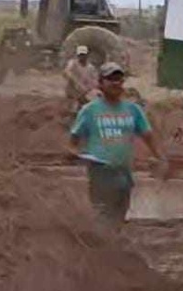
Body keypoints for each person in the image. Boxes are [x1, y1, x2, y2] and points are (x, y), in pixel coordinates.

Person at [68, 62, 167, 231]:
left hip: (124, 174)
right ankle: (102, 250)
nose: (116, 83)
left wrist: (161, 158)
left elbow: (148, 136)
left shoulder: (133, 110)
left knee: (119, 217)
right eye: (110, 79)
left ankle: (110, 249)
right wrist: (80, 156)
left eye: (119, 79)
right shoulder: (89, 110)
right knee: (103, 216)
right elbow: (73, 141)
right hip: (100, 173)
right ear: (101, 83)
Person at [63, 45, 98, 112]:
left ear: (87, 55)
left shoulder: (90, 67)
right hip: (73, 92)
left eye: (83, 54)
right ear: (77, 55)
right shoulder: (73, 63)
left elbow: (95, 80)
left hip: (85, 93)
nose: (82, 56)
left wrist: (88, 88)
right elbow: (66, 72)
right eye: (80, 55)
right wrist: (76, 82)